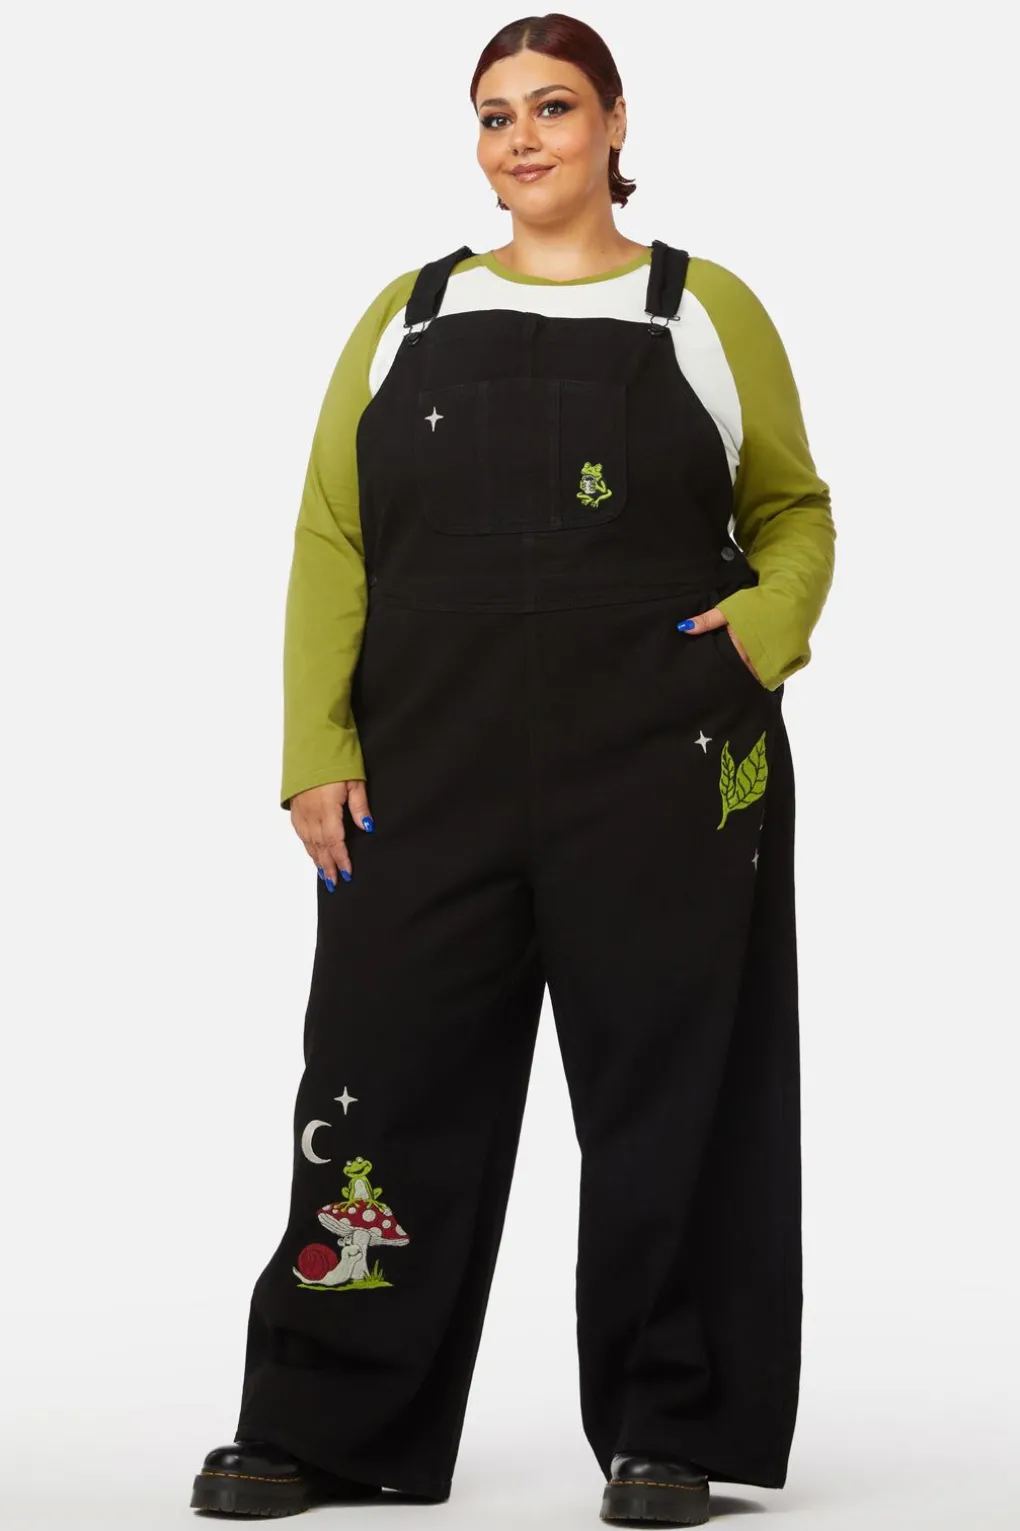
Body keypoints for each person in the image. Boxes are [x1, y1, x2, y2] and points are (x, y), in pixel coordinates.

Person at [189, 11, 835, 1525]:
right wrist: (313, 747)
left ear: (614, 121)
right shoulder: (408, 312)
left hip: (665, 759)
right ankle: (322, 1418)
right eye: (495, 114)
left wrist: (761, 635)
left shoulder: (704, 307)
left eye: (552, 106)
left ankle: (671, 1428)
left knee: (677, 1085)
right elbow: (331, 538)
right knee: (379, 1078)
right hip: (425, 771)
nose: (522, 137)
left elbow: (793, 509)